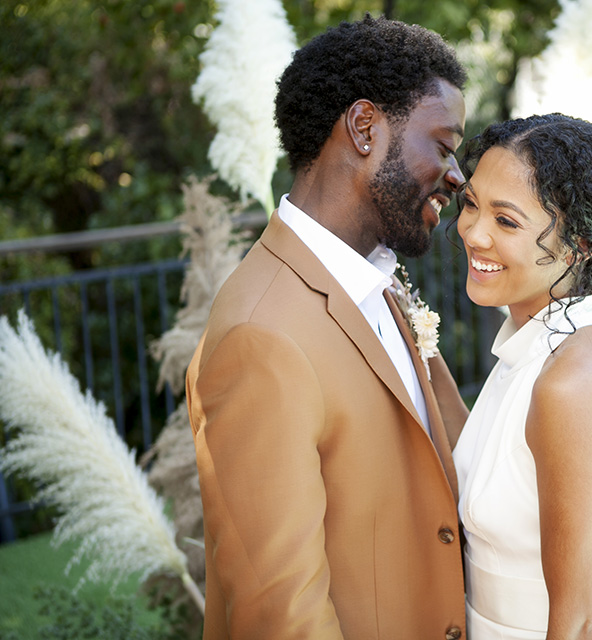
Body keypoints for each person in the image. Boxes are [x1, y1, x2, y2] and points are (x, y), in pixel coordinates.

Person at [185, 16, 470, 639]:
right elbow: (279, 613)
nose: (457, 176)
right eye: (444, 146)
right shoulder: (260, 337)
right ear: (365, 128)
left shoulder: (378, 280)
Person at [451, 113, 592, 639]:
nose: (473, 233)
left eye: (507, 221)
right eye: (472, 204)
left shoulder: (575, 379)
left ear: (580, 245)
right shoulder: (532, 346)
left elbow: (582, 624)